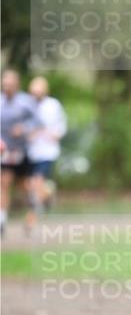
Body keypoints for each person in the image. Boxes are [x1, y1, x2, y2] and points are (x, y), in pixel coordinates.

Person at [0, 69, 40, 236]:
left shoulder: (25, 101)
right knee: (4, 183)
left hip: (22, 152)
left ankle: (31, 216)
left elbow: (37, 121)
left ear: (17, 84)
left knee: (24, 188)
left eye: (10, 84)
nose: (7, 86)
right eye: (5, 83)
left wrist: (24, 129)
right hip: (4, 151)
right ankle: (2, 219)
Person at [26, 76, 68, 223]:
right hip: (31, 151)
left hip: (48, 151)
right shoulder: (28, 105)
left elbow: (62, 124)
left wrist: (56, 134)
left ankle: (33, 216)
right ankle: (48, 194)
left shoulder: (53, 105)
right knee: (31, 184)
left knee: (37, 181)